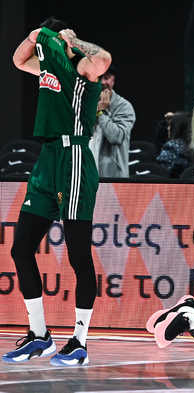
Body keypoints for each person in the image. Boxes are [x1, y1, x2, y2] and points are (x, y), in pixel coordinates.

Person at [2, 17, 111, 366]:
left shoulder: (81, 68)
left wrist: (71, 40)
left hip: (74, 158)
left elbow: (104, 59)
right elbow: (18, 60)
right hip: (47, 159)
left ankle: (79, 341)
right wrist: (35, 36)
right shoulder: (46, 68)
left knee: (79, 255)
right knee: (21, 249)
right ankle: (39, 335)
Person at [88, 64, 136, 177]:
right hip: (88, 176)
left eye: (107, 77)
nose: (103, 82)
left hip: (113, 179)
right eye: (99, 78)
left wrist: (102, 112)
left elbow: (116, 137)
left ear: (113, 80)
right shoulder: (85, 104)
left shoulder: (124, 106)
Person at [155, 111, 192, 178]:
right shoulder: (192, 145)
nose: (168, 128)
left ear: (177, 128)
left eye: (170, 125)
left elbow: (161, 171)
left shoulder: (172, 146)